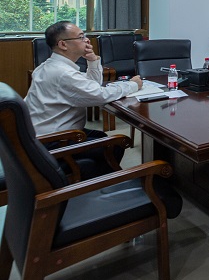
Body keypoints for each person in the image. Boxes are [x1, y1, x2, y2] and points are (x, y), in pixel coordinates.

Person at [24, 21, 143, 173]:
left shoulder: (50, 66)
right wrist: (133, 85)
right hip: (53, 140)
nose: (87, 40)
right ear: (63, 44)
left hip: (43, 135)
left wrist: (92, 60)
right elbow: (100, 95)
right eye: (81, 37)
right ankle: (102, 183)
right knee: (114, 145)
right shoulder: (63, 73)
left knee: (101, 136)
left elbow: (91, 86)